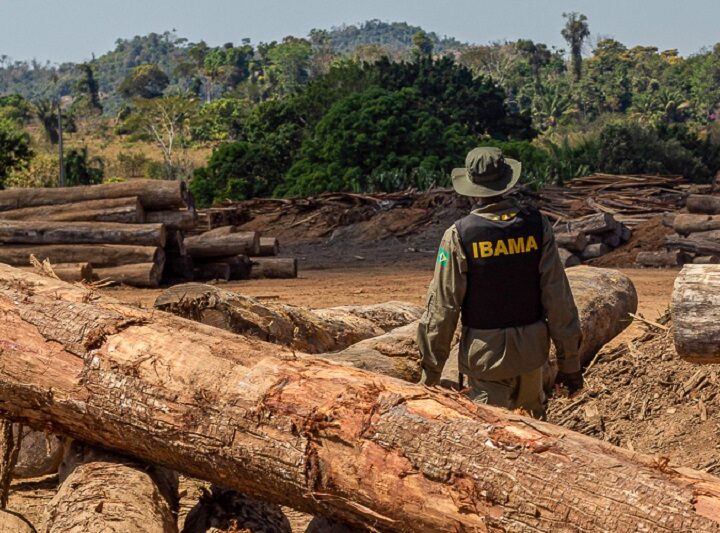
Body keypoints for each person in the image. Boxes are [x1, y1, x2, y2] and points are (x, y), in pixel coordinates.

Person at [417, 146, 583, 418]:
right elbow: (557, 297)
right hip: (531, 355)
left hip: (485, 359)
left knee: (494, 438)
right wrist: (570, 362)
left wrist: (430, 373)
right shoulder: (537, 226)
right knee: (534, 433)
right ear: (507, 182)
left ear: (472, 188)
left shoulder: (459, 235)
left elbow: (443, 308)